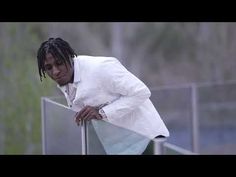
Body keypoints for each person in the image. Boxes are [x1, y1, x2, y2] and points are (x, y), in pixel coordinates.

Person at [37, 37, 169, 154]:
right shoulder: (66, 80)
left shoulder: (101, 68)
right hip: (121, 148)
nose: (55, 71)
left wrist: (101, 112)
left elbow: (142, 92)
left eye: (59, 63)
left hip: (148, 142)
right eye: (49, 68)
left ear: (69, 57)